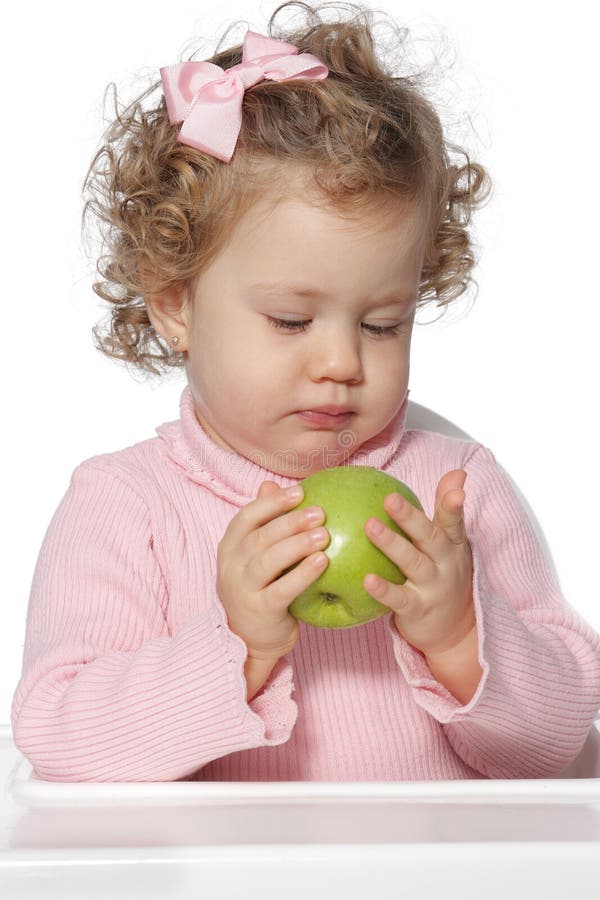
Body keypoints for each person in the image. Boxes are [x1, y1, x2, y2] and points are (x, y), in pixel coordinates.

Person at [11, 0, 600, 783]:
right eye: (292, 321)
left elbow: (557, 741)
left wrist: (462, 634)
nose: (341, 363)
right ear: (174, 302)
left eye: (384, 325)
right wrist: (235, 643)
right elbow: (59, 734)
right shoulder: (127, 505)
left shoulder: (456, 491)